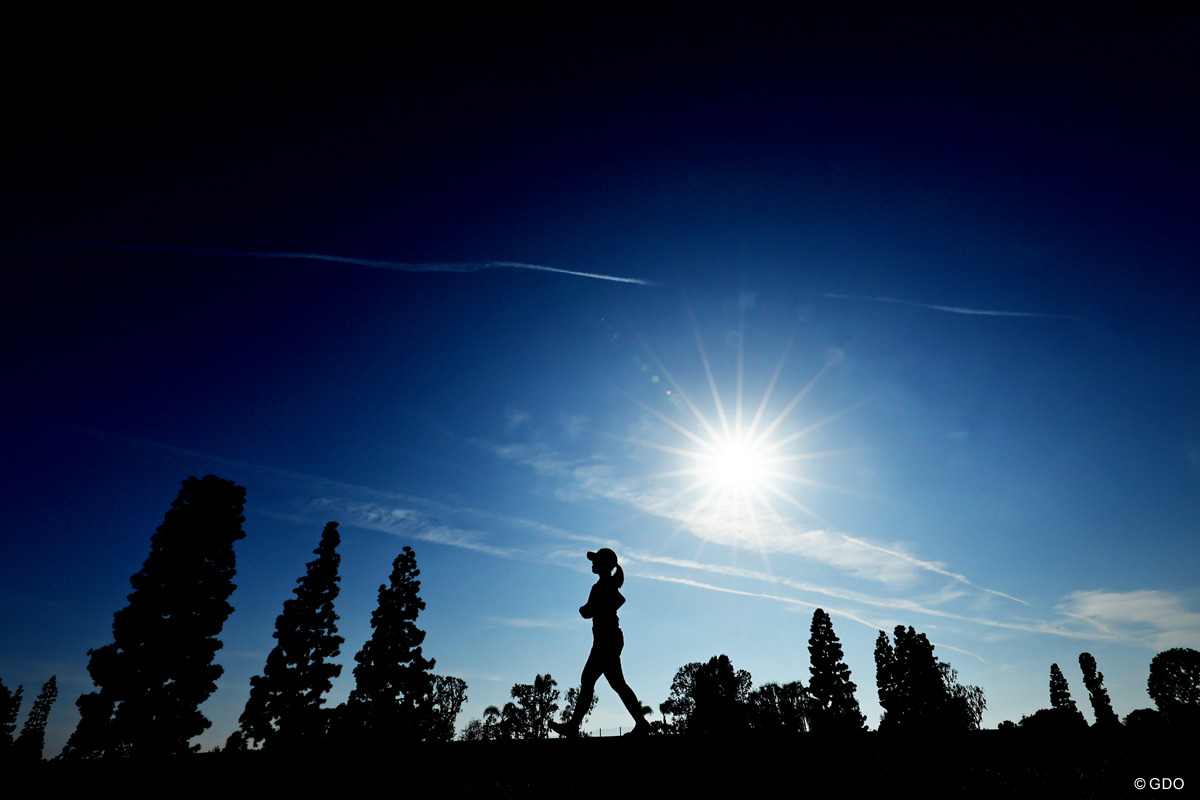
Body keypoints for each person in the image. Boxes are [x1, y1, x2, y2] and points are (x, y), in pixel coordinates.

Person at [550, 548, 650, 737]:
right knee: (615, 684)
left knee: (591, 680)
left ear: (605, 565)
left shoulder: (602, 587)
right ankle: (641, 723)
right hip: (608, 639)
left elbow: (594, 610)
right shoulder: (604, 586)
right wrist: (589, 609)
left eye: (596, 561)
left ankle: (572, 727)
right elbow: (594, 609)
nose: (592, 563)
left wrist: (586, 609)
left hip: (606, 640)